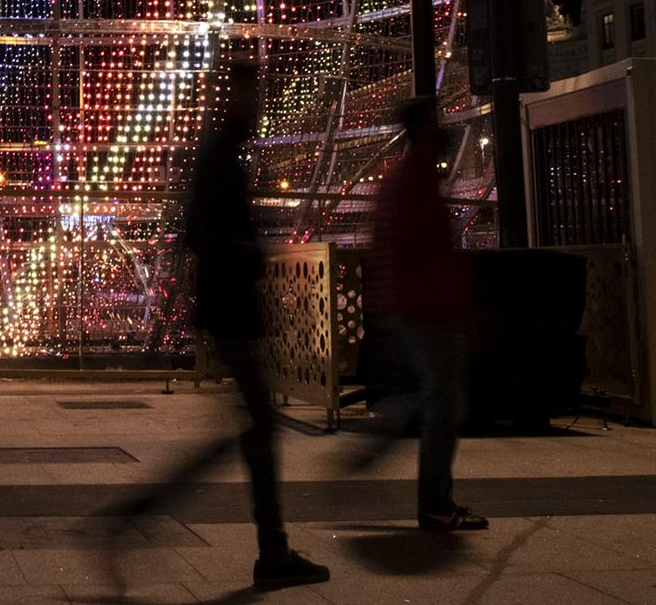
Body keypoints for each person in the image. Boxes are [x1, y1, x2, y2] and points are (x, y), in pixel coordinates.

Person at [104, 60, 328, 590]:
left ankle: (151, 516)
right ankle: (264, 549)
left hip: (225, 309)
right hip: (231, 310)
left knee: (247, 434)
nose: (259, 106)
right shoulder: (221, 156)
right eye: (254, 95)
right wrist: (251, 256)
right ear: (237, 98)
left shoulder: (218, 153)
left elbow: (192, 232)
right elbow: (210, 236)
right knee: (254, 432)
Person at [355, 97, 486, 532]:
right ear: (424, 129)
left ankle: (385, 432)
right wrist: (460, 309)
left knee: (437, 397)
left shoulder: (396, 180)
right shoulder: (416, 182)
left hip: (400, 305)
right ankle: (434, 502)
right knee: (444, 403)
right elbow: (434, 255)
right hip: (425, 308)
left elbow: (386, 246)